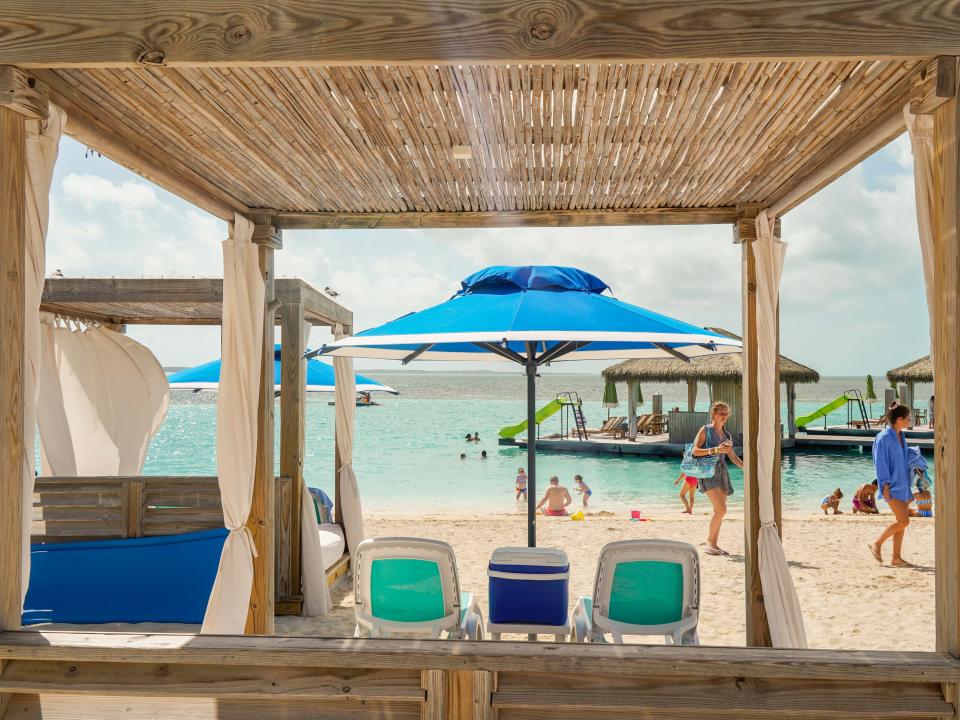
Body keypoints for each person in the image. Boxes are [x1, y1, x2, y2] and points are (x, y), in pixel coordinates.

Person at [691, 401, 743, 556]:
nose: (725, 416)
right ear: (713, 414)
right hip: (707, 472)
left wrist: (746, 469)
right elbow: (694, 451)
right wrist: (715, 449)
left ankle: (714, 544)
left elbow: (732, 456)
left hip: (722, 473)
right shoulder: (706, 430)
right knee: (721, 509)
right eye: (721, 413)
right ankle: (709, 543)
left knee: (719, 511)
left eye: (727, 413)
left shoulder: (727, 435)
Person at [869, 404, 918, 567]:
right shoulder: (883, 437)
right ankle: (877, 543)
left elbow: (903, 458)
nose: (910, 420)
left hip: (903, 484)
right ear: (899, 419)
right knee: (904, 521)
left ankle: (896, 558)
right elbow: (880, 463)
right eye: (908, 418)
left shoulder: (901, 436)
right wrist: (885, 485)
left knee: (901, 521)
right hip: (890, 485)